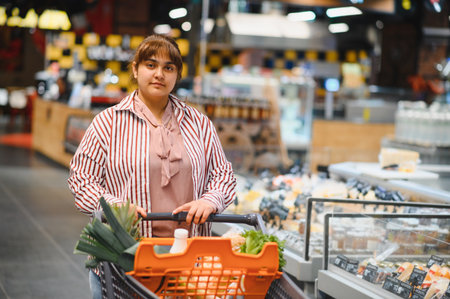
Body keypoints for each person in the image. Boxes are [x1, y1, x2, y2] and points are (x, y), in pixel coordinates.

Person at [68, 34, 236, 299]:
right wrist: (115, 208)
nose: (159, 74)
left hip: (188, 259)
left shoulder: (199, 123)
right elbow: (82, 179)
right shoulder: (108, 123)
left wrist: (210, 200)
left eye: (168, 67)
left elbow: (223, 174)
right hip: (123, 260)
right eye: (151, 65)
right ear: (135, 69)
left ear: (177, 75)